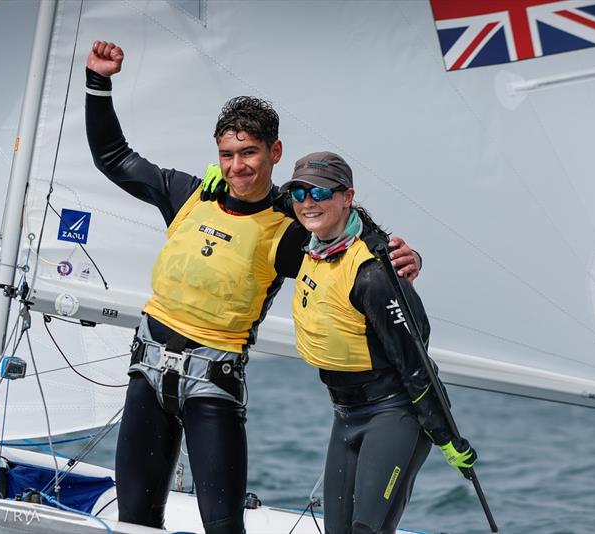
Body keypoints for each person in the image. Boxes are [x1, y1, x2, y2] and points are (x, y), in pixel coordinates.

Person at [84, 41, 422, 533]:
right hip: (148, 371)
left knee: (224, 528)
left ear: (274, 153)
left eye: (249, 153)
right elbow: (113, 156)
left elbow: (350, 237)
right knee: (135, 520)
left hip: (212, 385)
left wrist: (403, 257)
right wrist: (99, 82)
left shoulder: (289, 229)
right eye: (226, 154)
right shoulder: (187, 194)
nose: (236, 166)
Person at [281, 151, 478, 534]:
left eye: (319, 192)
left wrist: (447, 437)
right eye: (299, 192)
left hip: (394, 415)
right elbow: (258, 193)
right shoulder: (312, 239)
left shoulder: (373, 274)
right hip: (346, 415)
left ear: (347, 196)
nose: (307, 202)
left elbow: (416, 363)